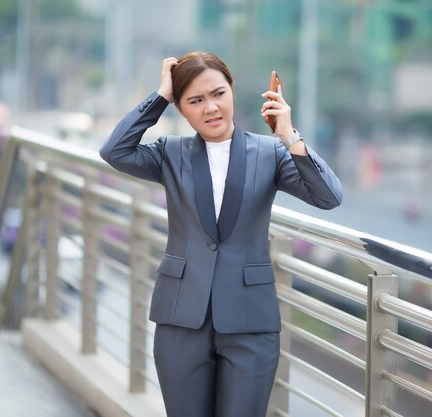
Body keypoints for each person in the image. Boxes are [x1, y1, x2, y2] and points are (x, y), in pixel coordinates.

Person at [99, 52, 343, 417]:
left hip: (250, 321)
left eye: (218, 94)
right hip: (181, 317)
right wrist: (160, 96)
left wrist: (289, 134)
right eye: (195, 101)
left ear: (231, 91)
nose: (211, 108)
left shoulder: (270, 152)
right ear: (181, 109)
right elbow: (115, 150)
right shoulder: (169, 153)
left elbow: (328, 196)